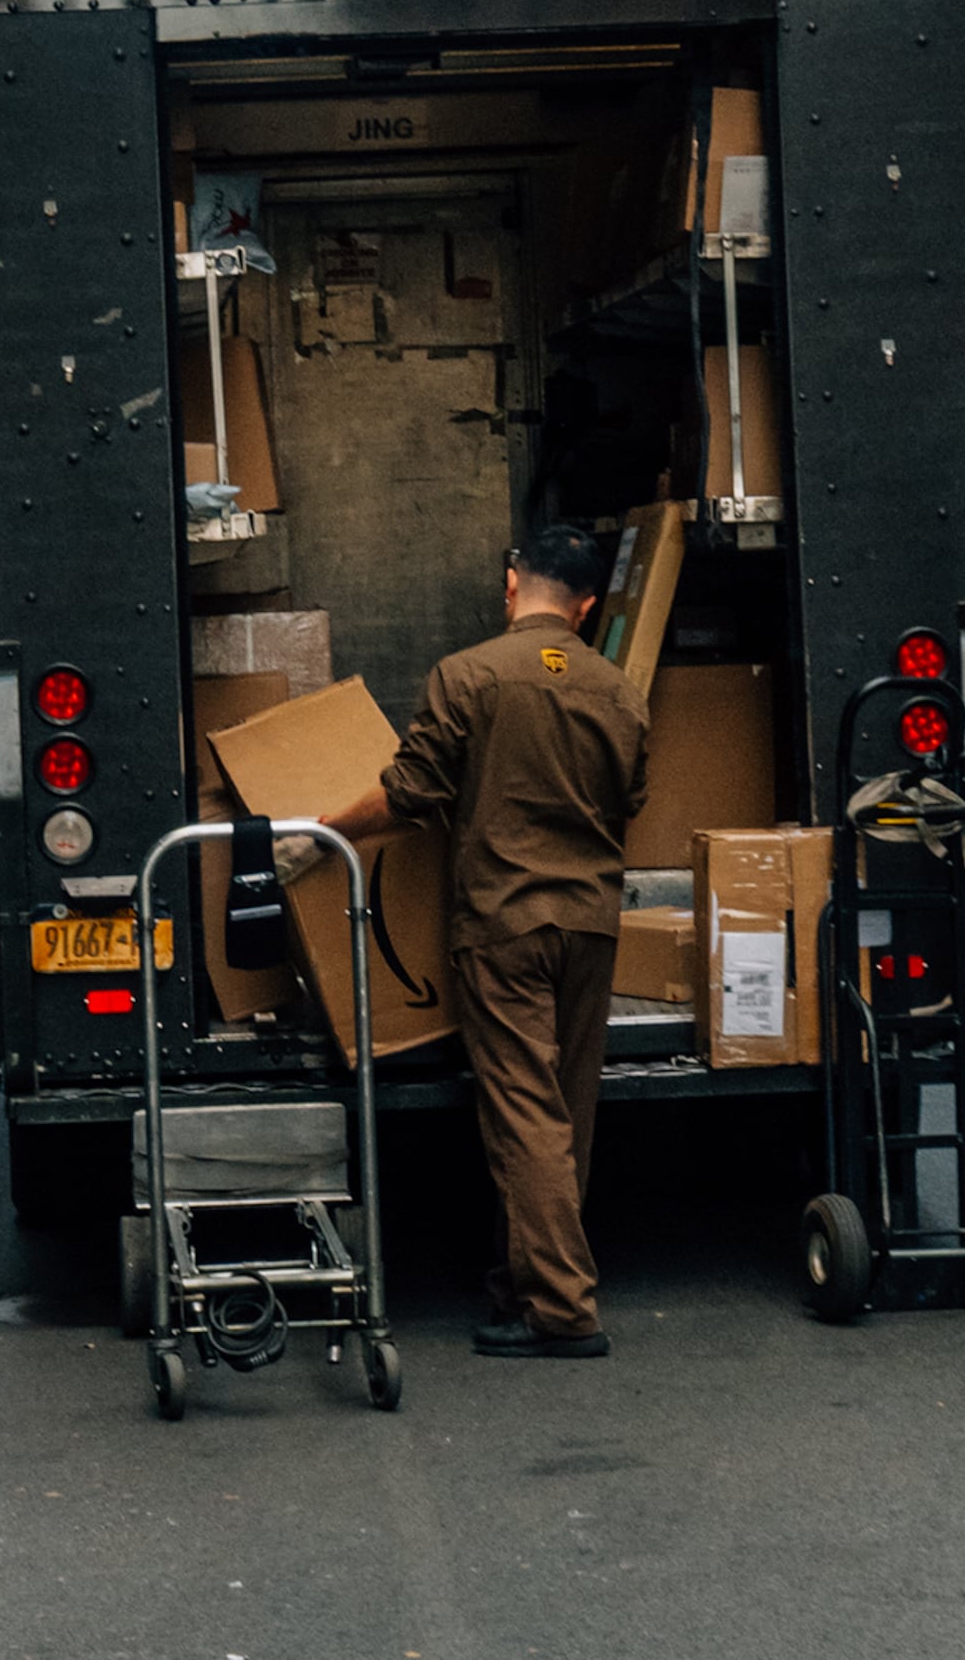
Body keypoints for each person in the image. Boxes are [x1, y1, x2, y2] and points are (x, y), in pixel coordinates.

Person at [321, 524, 648, 1361]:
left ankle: (563, 1311)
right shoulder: (618, 688)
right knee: (565, 1114)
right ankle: (524, 1285)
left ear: (513, 587)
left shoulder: (466, 676)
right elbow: (631, 795)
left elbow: (410, 792)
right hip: (589, 921)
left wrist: (326, 832)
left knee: (524, 1116)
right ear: (588, 604)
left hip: (503, 923)